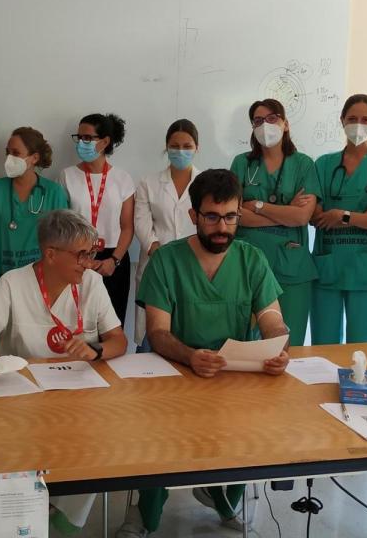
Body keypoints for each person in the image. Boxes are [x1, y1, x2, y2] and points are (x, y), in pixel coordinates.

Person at [117, 169, 289, 537]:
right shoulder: (167, 261)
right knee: (162, 446)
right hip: (175, 374)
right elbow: (157, 333)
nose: (222, 227)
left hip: (234, 376)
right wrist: (190, 355)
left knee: (248, 433)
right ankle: (146, 513)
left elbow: (271, 317)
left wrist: (278, 344)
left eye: (231, 217)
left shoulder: (251, 259)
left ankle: (223, 498)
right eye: (212, 217)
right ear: (193, 215)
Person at [0, 209, 127, 534]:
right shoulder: (12, 284)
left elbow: (118, 340)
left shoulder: (92, 283)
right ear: (50, 254)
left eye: (92, 253)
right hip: (22, 406)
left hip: (81, 404)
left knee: (94, 451)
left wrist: (96, 351)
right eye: (82, 254)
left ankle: (63, 523)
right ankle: (27, 515)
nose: (89, 261)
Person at [310, 94, 367, 345]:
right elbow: (314, 216)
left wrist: (342, 215)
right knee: (324, 347)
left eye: (365, 119)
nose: (358, 124)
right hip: (327, 267)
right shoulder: (323, 164)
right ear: (341, 121)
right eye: (352, 118)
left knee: (364, 349)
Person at [231, 99, 320, 345]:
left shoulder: (303, 164)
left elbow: (302, 217)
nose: (265, 125)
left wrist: (259, 207)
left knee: (288, 346)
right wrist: (285, 213)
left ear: (285, 124)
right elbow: (235, 216)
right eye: (258, 121)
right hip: (247, 265)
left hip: (292, 268)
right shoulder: (242, 163)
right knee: (246, 346)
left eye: (272, 118)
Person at [0, 127, 69, 294]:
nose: (9, 158)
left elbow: (63, 240)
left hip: (42, 279)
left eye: (16, 153)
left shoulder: (53, 193)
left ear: (34, 158)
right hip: (3, 279)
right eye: (7, 152)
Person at [61, 113, 134, 326]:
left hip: (113, 258)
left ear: (104, 142)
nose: (81, 143)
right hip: (77, 256)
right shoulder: (66, 176)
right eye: (79, 137)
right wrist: (78, 258)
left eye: (88, 138)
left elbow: (127, 227)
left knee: (111, 324)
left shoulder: (123, 179)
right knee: (77, 324)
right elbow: (62, 225)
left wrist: (114, 261)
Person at [132, 119, 200, 350]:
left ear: (196, 148)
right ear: (166, 146)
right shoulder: (147, 182)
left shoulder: (205, 182)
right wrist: (156, 249)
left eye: (187, 146)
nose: (180, 151)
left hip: (193, 264)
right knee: (151, 338)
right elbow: (141, 221)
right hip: (155, 261)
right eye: (175, 145)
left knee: (187, 334)